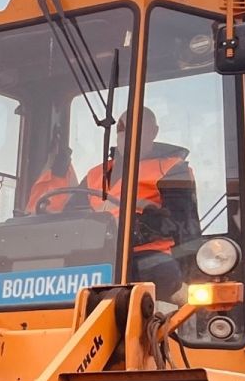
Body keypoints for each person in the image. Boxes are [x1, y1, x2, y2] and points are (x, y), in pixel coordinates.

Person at [82, 106, 199, 295]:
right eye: (122, 131)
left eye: (138, 130)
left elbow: (182, 224)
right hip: (98, 255)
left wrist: (141, 227)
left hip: (149, 256)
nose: (127, 136)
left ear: (154, 132)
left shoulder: (172, 170)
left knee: (160, 273)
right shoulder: (95, 174)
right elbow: (70, 213)